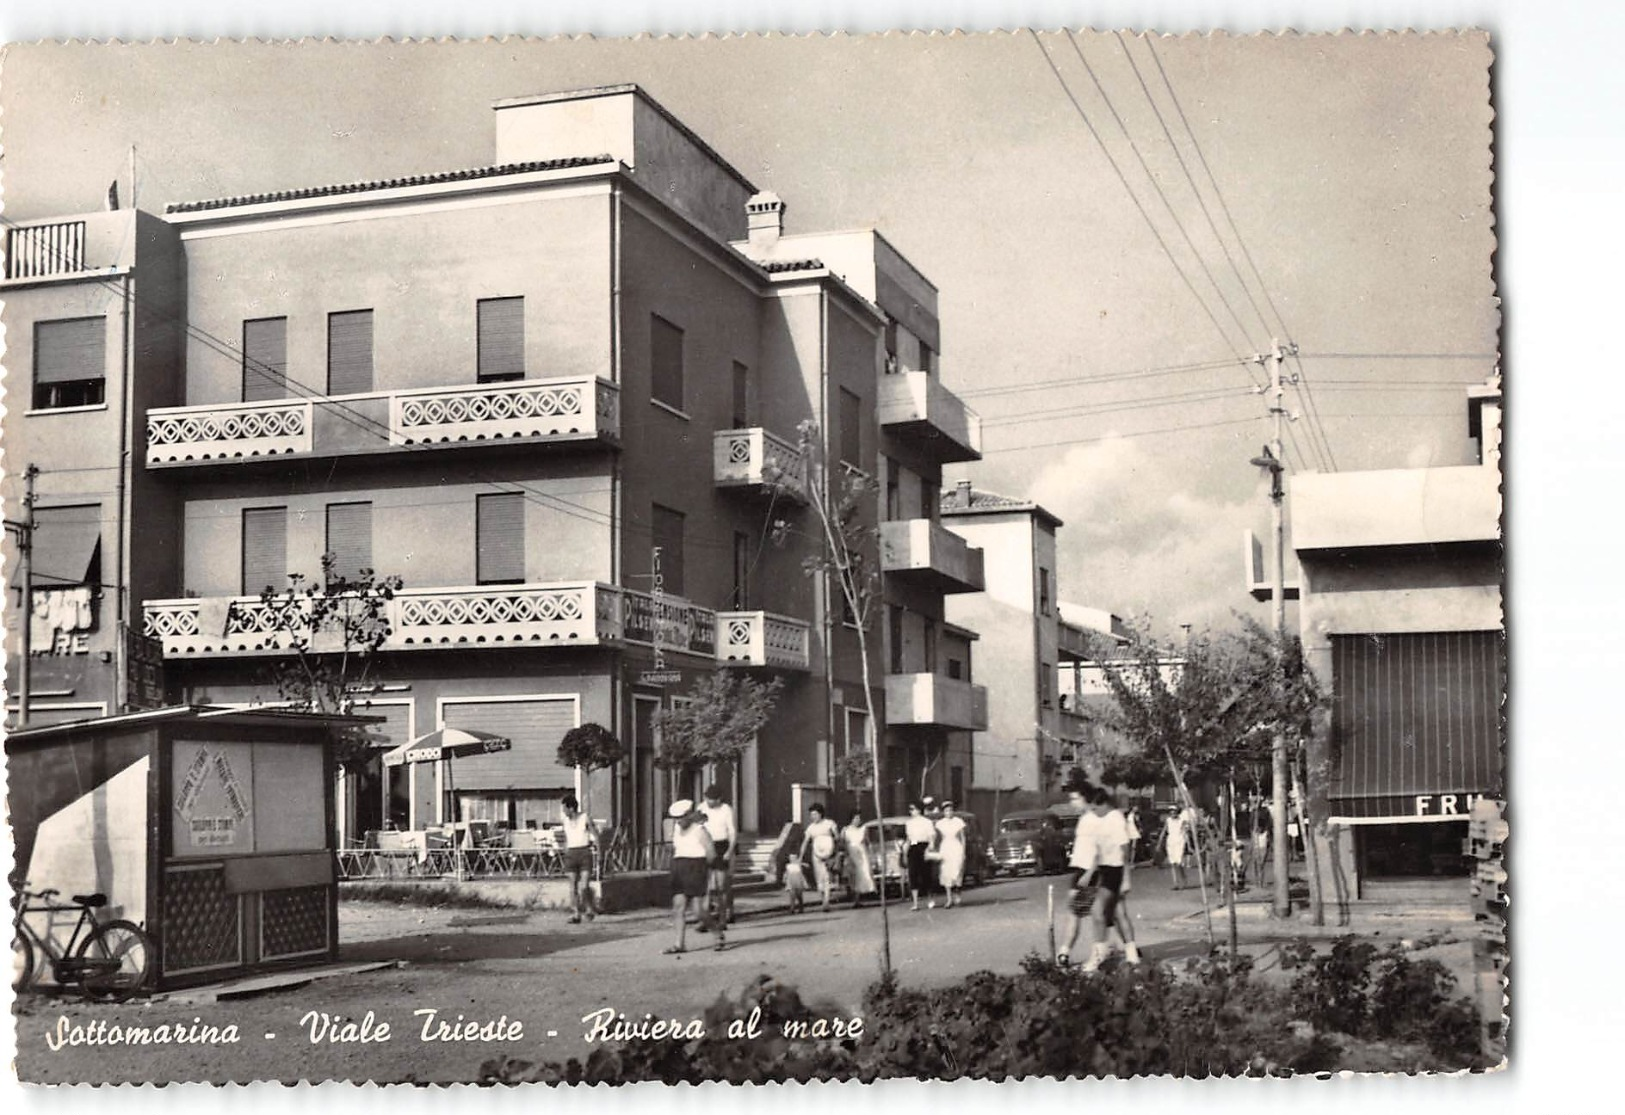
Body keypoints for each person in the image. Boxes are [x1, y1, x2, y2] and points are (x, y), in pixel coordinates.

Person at [1058, 783, 1137, 971]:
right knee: (1113, 912)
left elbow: (1124, 850)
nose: (1093, 812)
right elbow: (1098, 851)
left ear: (1103, 805)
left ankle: (1101, 954)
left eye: (1095, 808)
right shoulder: (1101, 818)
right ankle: (1128, 954)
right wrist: (1092, 871)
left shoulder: (1115, 818)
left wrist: (1126, 878)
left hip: (1114, 869)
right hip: (1104, 868)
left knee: (1103, 911)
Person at [665, 800, 720, 955]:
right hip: (679, 866)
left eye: (681, 818)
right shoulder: (676, 829)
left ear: (689, 815)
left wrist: (705, 871)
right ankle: (679, 944)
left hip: (696, 866)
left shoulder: (699, 830)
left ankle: (717, 934)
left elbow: (711, 852)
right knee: (678, 907)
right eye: (675, 819)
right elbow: (676, 848)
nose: (678, 822)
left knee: (698, 911)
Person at [699, 783, 737, 930]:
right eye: (708, 798)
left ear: (719, 799)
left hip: (722, 846)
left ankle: (724, 917)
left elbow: (732, 832)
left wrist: (730, 850)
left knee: (722, 886)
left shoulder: (726, 810)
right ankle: (706, 919)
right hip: (706, 846)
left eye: (713, 799)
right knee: (706, 886)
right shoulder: (701, 808)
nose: (710, 802)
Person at [560, 794, 598, 924]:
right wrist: (565, 851)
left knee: (584, 885)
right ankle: (576, 913)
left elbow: (595, 834)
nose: (563, 812)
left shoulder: (585, 818)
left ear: (571, 808)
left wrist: (599, 852)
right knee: (572, 886)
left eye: (565, 809)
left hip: (584, 852)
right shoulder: (565, 821)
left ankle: (589, 907)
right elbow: (566, 838)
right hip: (571, 853)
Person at [799, 804, 841, 912]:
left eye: (815, 814)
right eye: (811, 815)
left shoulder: (829, 823)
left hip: (829, 853)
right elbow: (805, 842)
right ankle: (823, 900)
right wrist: (800, 857)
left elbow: (837, 838)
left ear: (820, 814)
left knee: (827, 876)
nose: (813, 817)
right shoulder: (811, 828)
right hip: (817, 855)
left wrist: (834, 852)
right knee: (820, 877)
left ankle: (826, 902)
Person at [933, 800, 968, 909]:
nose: (949, 812)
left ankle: (957, 894)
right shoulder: (940, 823)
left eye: (950, 810)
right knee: (946, 873)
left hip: (956, 848)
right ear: (943, 812)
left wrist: (963, 850)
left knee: (957, 872)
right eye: (946, 811)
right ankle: (949, 899)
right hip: (946, 848)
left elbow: (962, 837)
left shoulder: (958, 821)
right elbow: (938, 838)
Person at [903, 800, 937, 911]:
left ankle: (930, 898)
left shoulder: (927, 822)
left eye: (913, 809)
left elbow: (931, 836)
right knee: (913, 874)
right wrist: (905, 851)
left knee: (926, 873)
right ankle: (915, 902)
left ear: (918, 809)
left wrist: (930, 847)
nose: (911, 811)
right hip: (913, 847)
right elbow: (908, 838)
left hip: (924, 846)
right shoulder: (909, 823)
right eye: (910, 809)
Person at [769, 819, 808, 914]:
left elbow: (803, 866)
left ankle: (801, 906)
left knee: (799, 895)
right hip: (791, 883)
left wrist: (804, 864)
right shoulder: (789, 866)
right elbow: (786, 873)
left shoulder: (797, 863)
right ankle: (792, 907)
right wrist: (784, 879)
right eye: (791, 857)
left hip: (798, 882)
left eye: (794, 857)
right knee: (792, 895)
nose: (792, 859)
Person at [842, 811, 877, 907]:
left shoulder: (863, 829)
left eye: (859, 818)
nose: (858, 820)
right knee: (852, 876)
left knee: (862, 874)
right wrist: (845, 855)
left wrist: (872, 854)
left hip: (862, 853)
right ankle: (855, 898)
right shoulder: (846, 830)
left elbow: (868, 842)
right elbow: (843, 844)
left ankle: (858, 898)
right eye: (856, 818)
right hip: (851, 853)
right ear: (851, 819)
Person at [1163, 805, 1190, 891]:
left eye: (1174, 811)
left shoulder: (1182, 820)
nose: (1172, 813)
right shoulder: (1168, 820)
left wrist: (1188, 843)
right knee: (1173, 863)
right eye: (1171, 812)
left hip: (1179, 842)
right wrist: (1160, 842)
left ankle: (1184, 880)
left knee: (1179, 863)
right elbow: (1164, 831)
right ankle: (1175, 883)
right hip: (1171, 842)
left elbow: (1187, 830)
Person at [1250, 796, 1272, 890]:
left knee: (1262, 859)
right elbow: (1250, 824)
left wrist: (1266, 832)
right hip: (1256, 835)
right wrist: (1253, 831)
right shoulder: (1253, 812)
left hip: (1263, 835)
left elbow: (1269, 823)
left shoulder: (1265, 811)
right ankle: (1256, 880)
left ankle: (1261, 879)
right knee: (1255, 859)